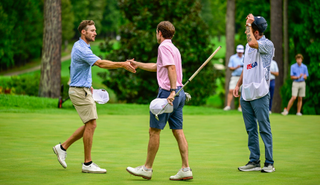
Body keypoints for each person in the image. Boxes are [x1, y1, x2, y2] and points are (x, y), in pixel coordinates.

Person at [52, 20, 136, 173]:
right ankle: (87, 163)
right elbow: (101, 64)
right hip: (79, 91)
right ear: (83, 32)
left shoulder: (83, 47)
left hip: (83, 89)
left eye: (95, 30)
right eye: (92, 30)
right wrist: (123, 64)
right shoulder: (81, 48)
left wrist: (88, 83)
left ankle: (62, 147)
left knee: (89, 124)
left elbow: (80, 68)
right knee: (91, 124)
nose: (95, 33)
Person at [126, 21, 193, 180]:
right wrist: (138, 65)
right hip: (179, 93)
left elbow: (171, 68)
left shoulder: (163, 47)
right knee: (178, 131)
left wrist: (171, 91)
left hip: (168, 93)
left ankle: (147, 168)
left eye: (156, 32)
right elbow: (159, 66)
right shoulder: (173, 48)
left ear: (160, 33)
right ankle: (185, 169)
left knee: (154, 131)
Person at [233, 14, 275, 173]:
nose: (246, 32)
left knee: (264, 128)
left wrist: (248, 24)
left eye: (250, 29)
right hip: (247, 93)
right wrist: (238, 84)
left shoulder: (267, 44)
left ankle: (269, 162)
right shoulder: (249, 45)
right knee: (251, 129)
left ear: (256, 32)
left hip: (261, 92)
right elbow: (246, 66)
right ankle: (254, 161)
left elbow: (252, 42)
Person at [224, 45, 244, 112]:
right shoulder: (233, 57)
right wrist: (236, 67)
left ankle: (240, 107)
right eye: (239, 52)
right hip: (234, 76)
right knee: (231, 90)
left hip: (243, 77)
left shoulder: (245, 57)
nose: (240, 53)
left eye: (241, 52)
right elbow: (230, 67)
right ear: (237, 51)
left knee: (242, 92)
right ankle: (228, 106)